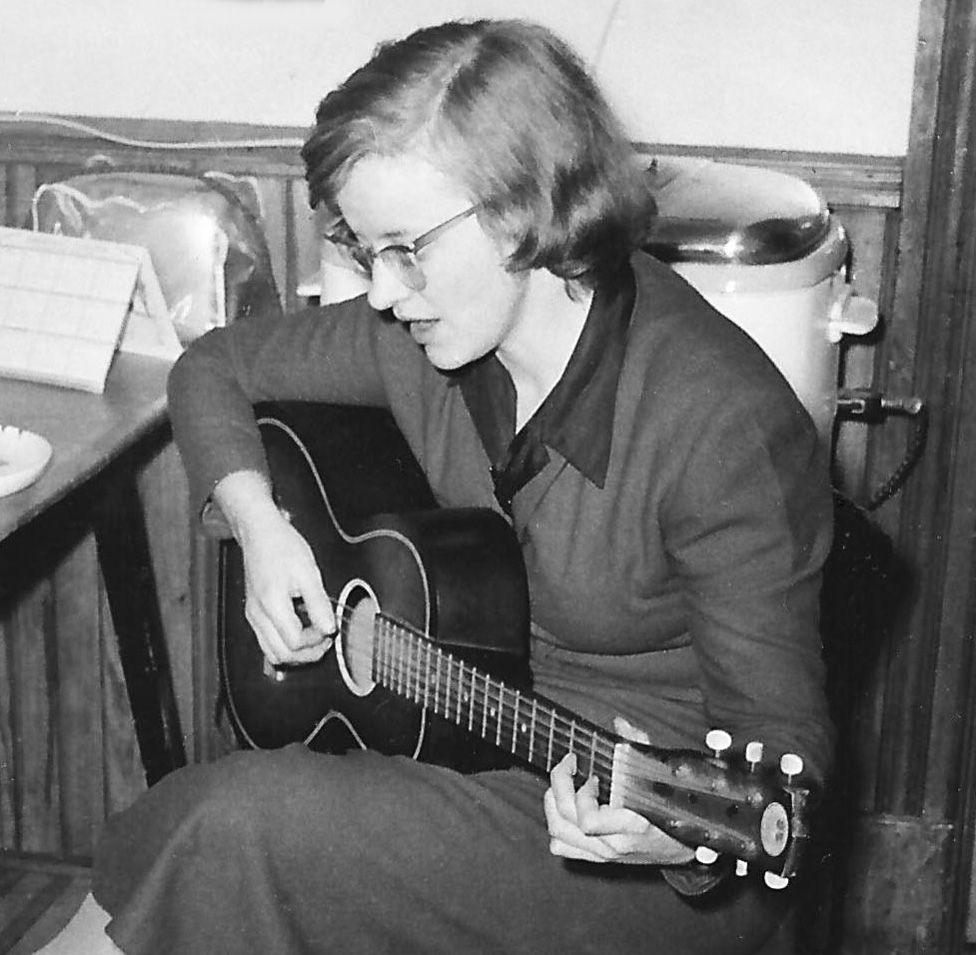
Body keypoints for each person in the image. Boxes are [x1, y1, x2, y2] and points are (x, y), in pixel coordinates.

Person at [39, 17, 833, 955]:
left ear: (524, 208)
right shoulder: (423, 334)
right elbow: (211, 367)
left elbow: (791, 786)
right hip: (470, 744)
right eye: (362, 247)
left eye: (404, 247)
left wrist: (672, 834)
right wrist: (261, 525)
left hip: (639, 843)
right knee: (201, 823)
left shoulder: (719, 420)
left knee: (237, 822)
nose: (380, 289)